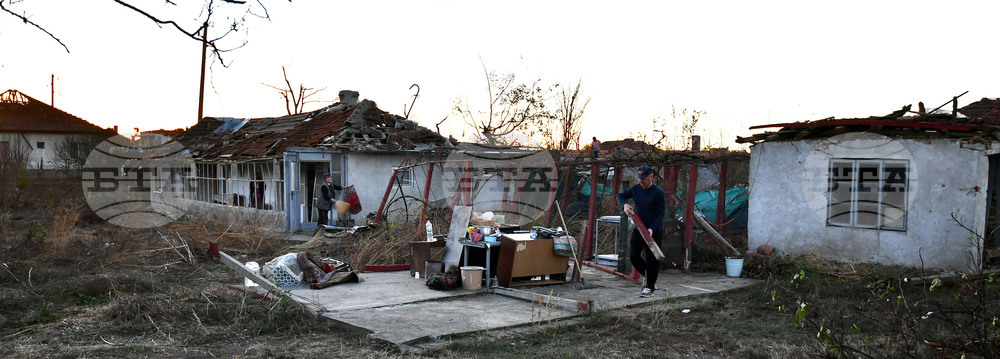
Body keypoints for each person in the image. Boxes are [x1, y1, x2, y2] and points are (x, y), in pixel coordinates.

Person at [616, 165, 665, 297]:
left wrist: (652, 228)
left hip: (653, 230)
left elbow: (660, 215)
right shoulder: (636, 189)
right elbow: (620, 195)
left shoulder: (658, 193)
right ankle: (650, 278)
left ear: (651, 177)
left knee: (652, 259)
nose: (641, 181)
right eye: (639, 179)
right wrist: (624, 204)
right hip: (639, 227)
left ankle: (649, 288)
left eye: (644, 179)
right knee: (634, 255)